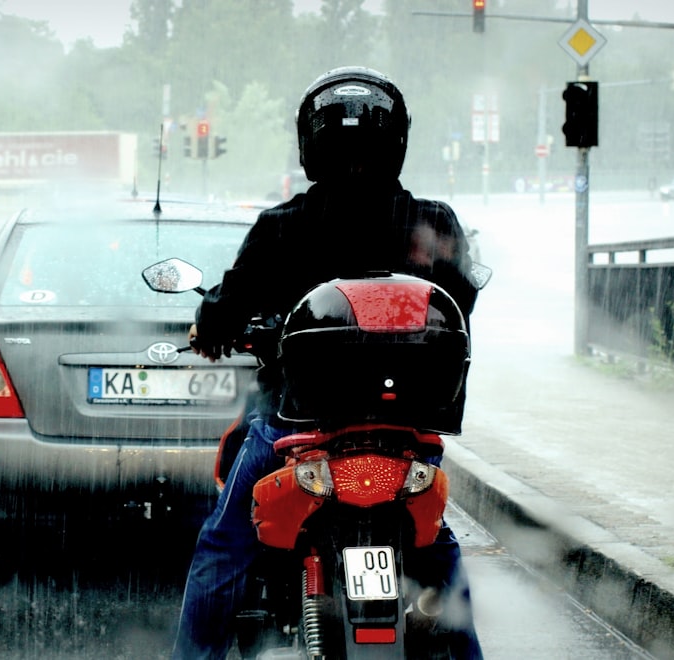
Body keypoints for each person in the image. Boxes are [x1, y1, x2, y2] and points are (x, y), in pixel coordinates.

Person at [172, 66, 485, 659]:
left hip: (296, 431)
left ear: (309, 145)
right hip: (404, 434)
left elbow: (225, 309)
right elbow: (459, 304)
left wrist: (209, 329)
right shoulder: (434, 224)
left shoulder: (283, 228)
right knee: (439, 552)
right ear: (398, 142)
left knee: (225, 544)